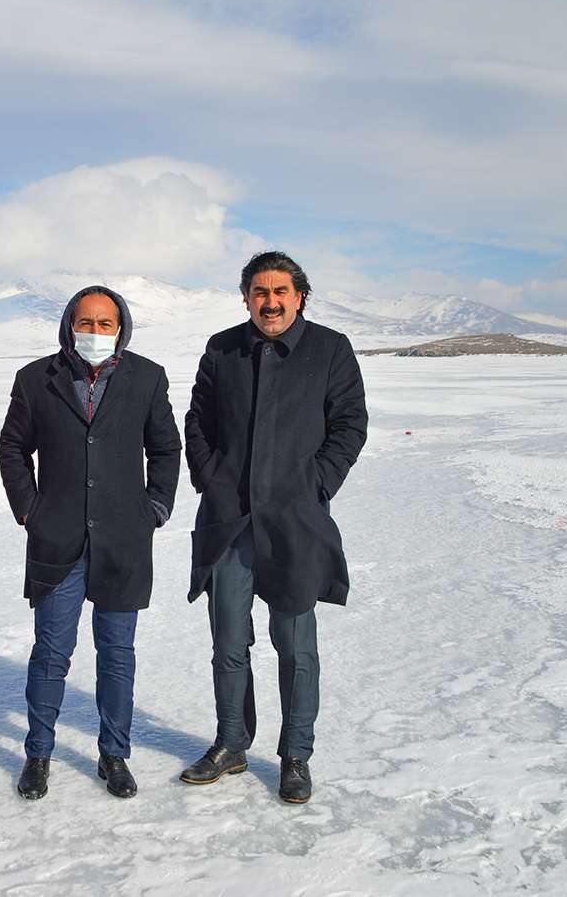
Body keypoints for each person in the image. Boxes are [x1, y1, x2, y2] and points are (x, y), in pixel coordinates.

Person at [180, 251, 367, 804]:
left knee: (295, 646)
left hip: (295, 523)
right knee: (229, 642)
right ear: (246, 298)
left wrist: (315, 484)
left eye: (280, 291)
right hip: (230, 523)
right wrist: (213, 481)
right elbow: (197, 421)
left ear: (299, 295)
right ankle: (232, 742)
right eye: (259, 292)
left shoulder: (330, 349)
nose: (270, 301)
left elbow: (350, 424)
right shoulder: (223, 348)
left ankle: (295, 755)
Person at [0, 286, 181, 800]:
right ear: (68, 325)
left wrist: (156, 506)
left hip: (124, 539)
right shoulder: (37, 379)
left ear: (121, 327)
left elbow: (165, 447)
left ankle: (114, 754)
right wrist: (30, 509)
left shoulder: (147, 377)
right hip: (58, 540)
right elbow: (12, 448)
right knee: (52, 652)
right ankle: (38, 754)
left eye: (105, 323)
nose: (95, 333)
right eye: (86, 322)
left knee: (117, 653)